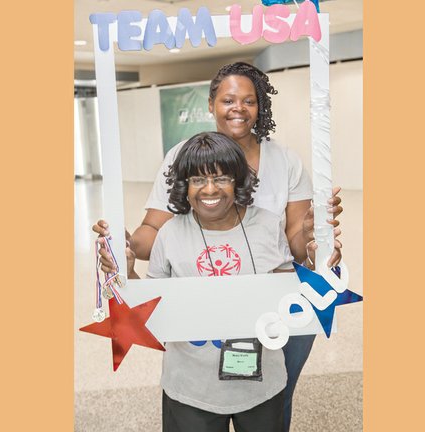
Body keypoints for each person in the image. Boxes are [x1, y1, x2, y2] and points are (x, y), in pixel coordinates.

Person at [94, 62, 343, 431]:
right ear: (212, 104)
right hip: (198, 355)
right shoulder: (183, 166)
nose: (238, 108)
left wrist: (311, 239)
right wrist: (123, 248)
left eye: (248, 100)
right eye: (228, 99)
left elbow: (293, 245)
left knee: (272, 396)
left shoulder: (283, 167)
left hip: (272, 307)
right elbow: (154, 236)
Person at [128, 131, 301, 432]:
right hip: (191, 390)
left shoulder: (268, 225)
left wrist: (317, 256)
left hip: (262, 386)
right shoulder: (169, 234)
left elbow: (289, 298)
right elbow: (149, 309)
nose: (210, 189)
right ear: (185, 185)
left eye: (221, 178)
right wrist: (125, 271)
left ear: (238, 181)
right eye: (197, 179)